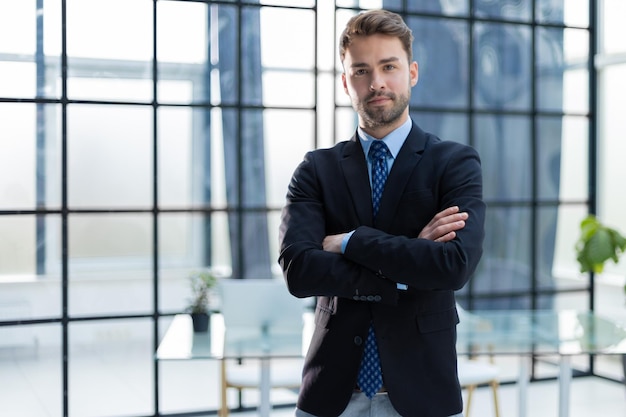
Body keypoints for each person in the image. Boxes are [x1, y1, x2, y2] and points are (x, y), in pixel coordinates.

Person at [278, 9, 485, 417]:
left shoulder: (454, 163)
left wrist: (352, 242)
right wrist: (407, 268)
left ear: (411, 72)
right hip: (331, 394)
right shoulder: (316, 169)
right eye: (361, 71)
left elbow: (453, 265)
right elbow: (299, 270)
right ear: (345, 82)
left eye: (388, 66)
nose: (376, 83)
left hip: (423, 393)